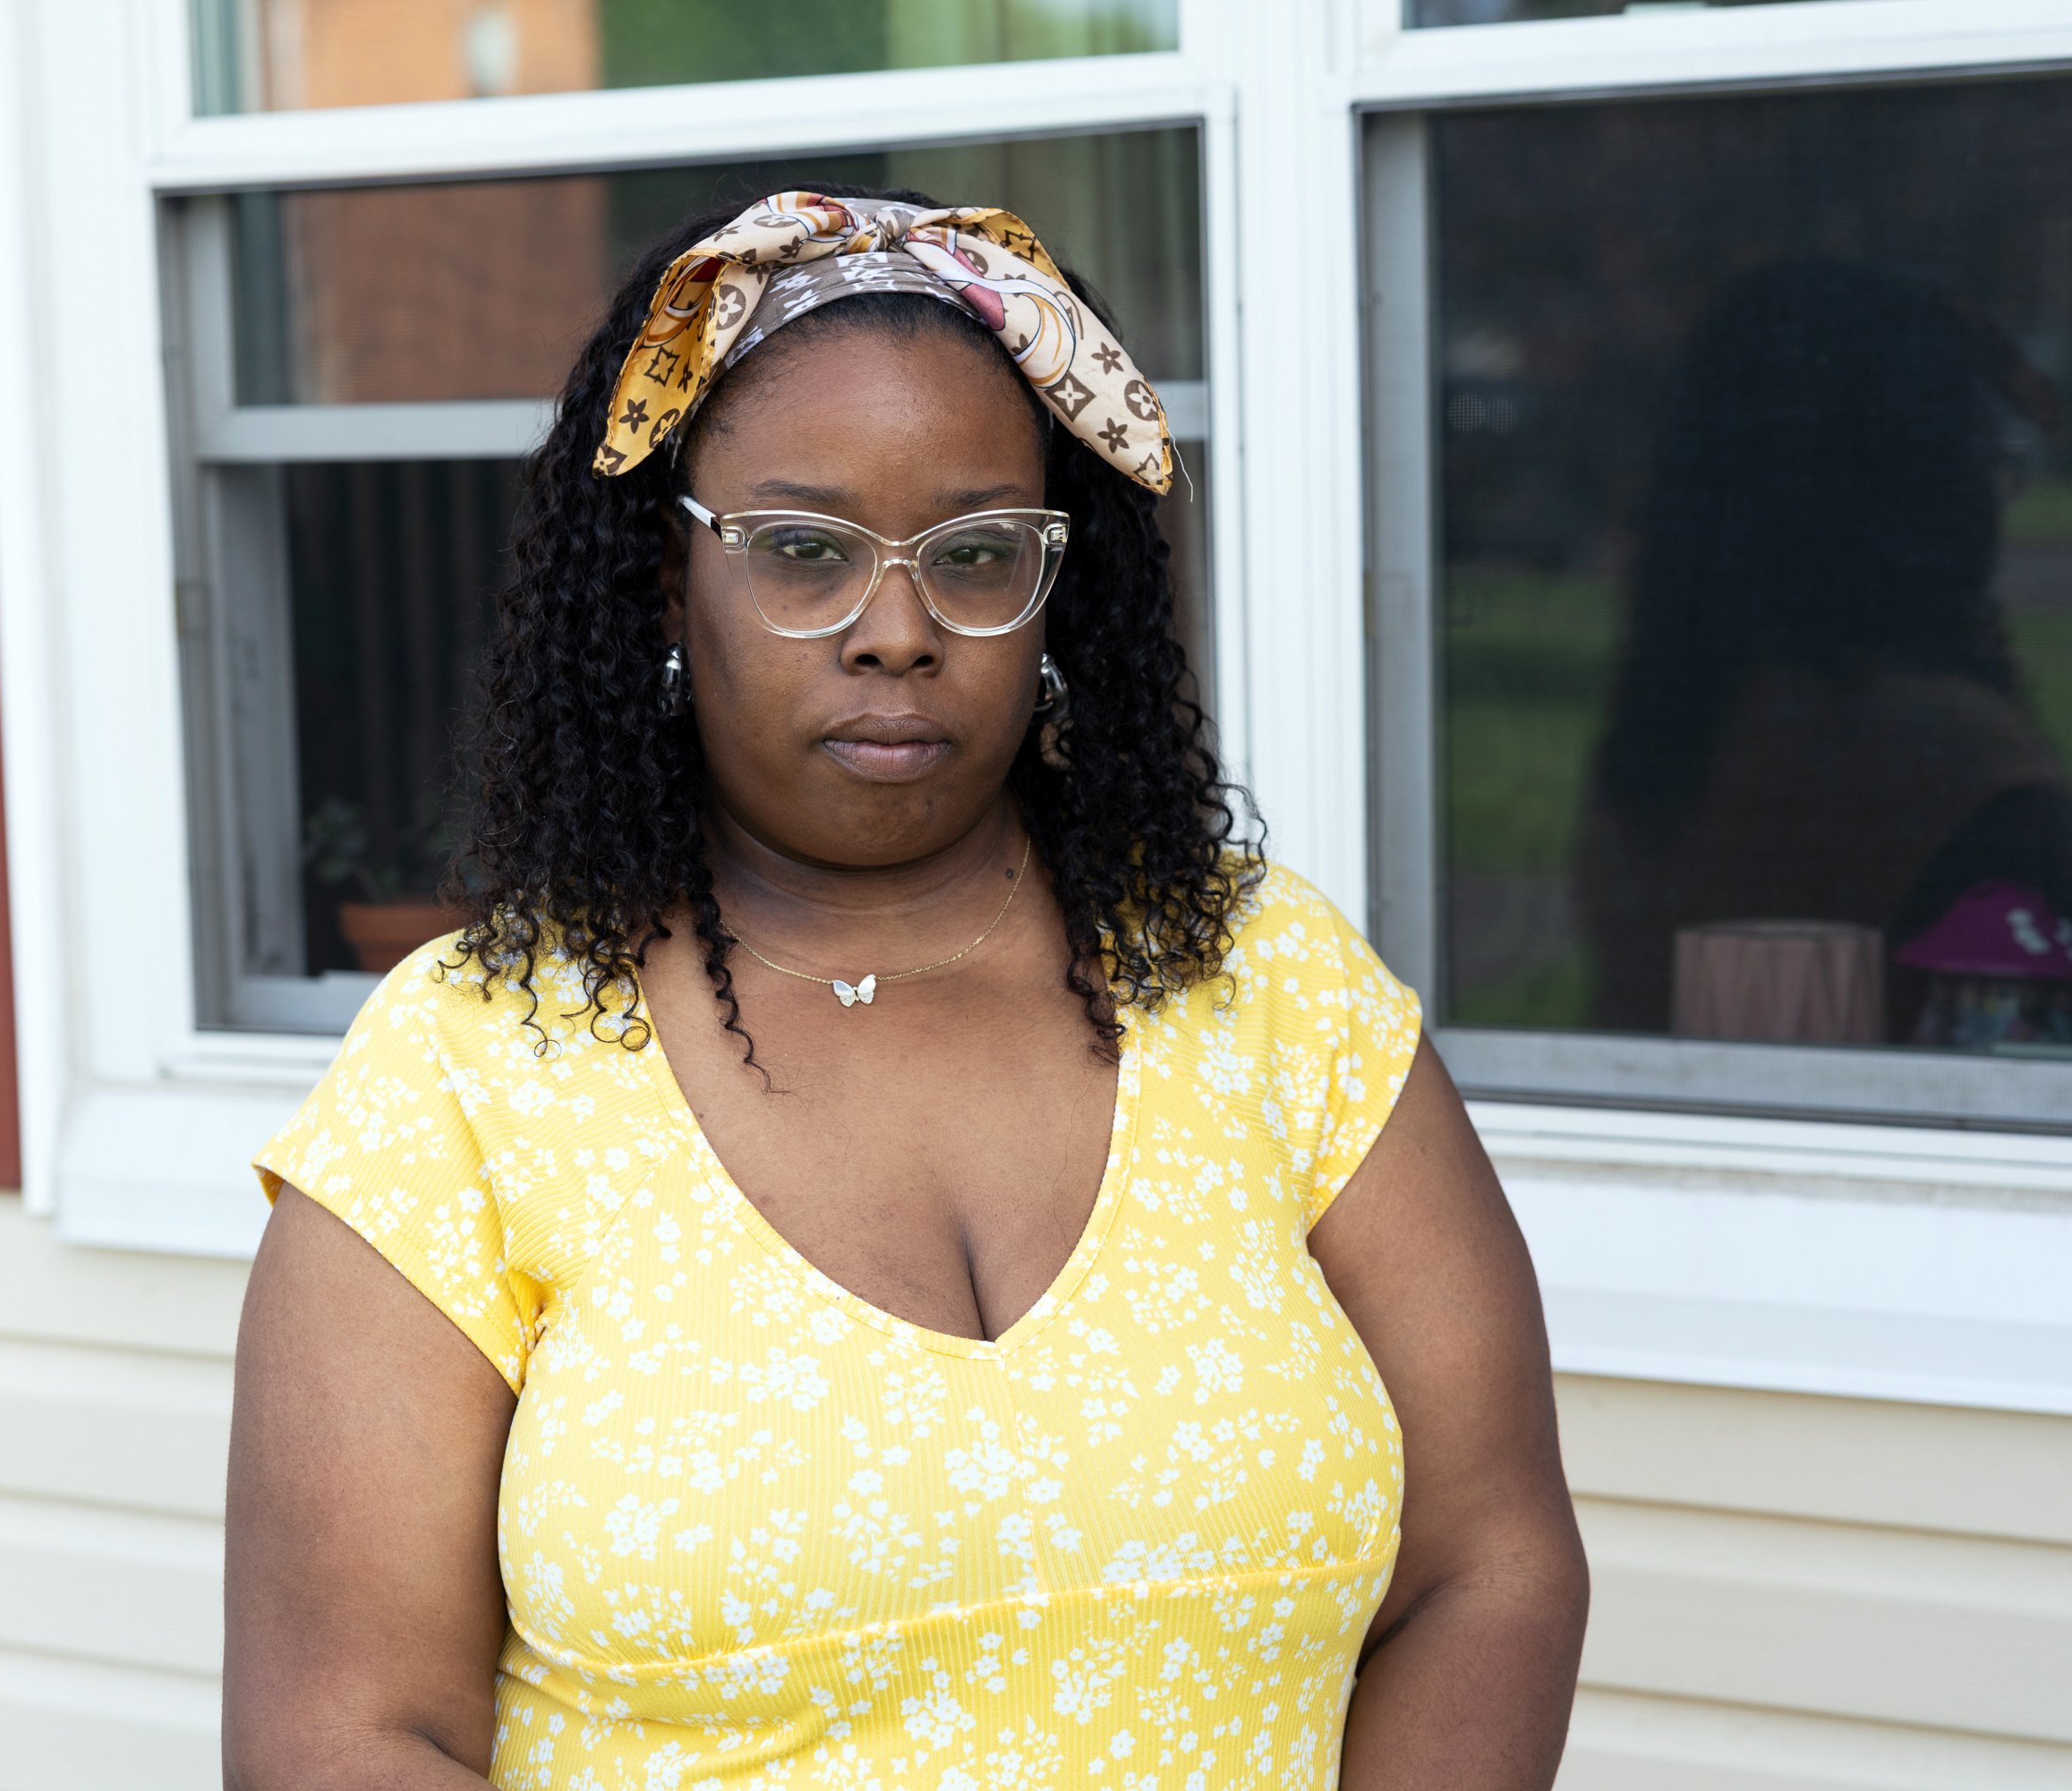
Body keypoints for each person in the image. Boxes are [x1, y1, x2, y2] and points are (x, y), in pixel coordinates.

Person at [224, 187, 1587, 1788]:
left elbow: (1486, 1568)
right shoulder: (466, 1067)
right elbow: (347, 1734)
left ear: (1052, 589)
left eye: (976, 554)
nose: (895, 630)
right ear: (670, 586)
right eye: (800, 551)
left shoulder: (1264, 981)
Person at [1577, 257, 2072, 1042]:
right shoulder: (1936, 755)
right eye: (1978, 453)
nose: (1993, 494)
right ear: (1921, 480)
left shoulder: (1679, 728)